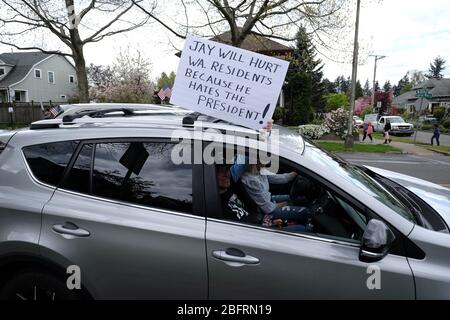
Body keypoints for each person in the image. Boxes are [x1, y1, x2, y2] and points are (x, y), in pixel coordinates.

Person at [217, 165, 310, 232]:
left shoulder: (231, 191)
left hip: (262, 217)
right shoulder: (219, 203)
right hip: (260, 227)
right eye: (221, 173)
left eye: (227, 170)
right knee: (303, 223)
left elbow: (251, 212)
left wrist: (299, 169)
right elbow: (266, 210)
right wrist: (271, 223)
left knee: (299, 200)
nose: (227, 175)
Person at [240, 161, 312, 224]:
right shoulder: (251, 180)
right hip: (266, 212)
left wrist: (297, 172)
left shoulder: (259, 170)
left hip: (268, 200)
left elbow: (281, 178)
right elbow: (268, 209)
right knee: (305, 212)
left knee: (299, 199)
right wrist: (287, 203)